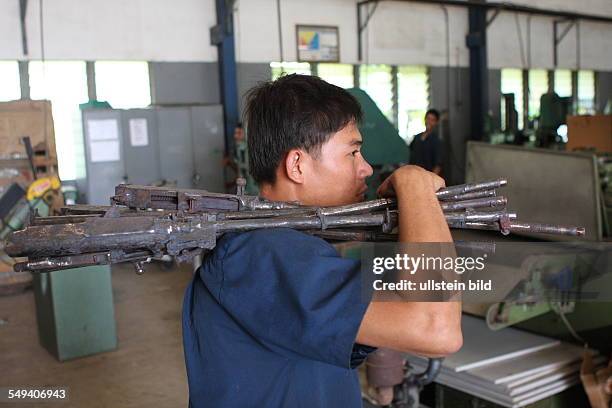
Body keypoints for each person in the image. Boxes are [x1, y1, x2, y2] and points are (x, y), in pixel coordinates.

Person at [182, 75, 462, 407]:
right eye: (353, 153)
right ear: (297, 165)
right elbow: (436, 328)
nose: (367, 169)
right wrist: (414, 184)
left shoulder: (279, 245)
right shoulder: (263, 252)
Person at [409, 109, 443, 175]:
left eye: (432, 120)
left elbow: (438, 165)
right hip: (414, 175)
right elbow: (410, 156)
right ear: (425, 119)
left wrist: (431, 179)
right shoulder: (416, 138)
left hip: (427, 177)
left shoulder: (437, 142)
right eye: (428, 118)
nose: (429, 122)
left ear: (436, 122)